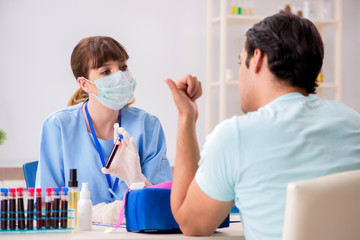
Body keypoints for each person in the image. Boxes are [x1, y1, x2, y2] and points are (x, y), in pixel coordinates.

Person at [165, 13, 360, 239]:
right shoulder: (353, 122)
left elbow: (191, 224)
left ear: (256, 59)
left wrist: (185, 117)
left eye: (240, 62)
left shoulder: (236, 136)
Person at [35, 36, 172, 213]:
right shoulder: (58, 126)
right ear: (84, 84)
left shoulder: (148, 126)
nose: (120, 76)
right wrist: (98, 215)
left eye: (123, 67)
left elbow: (162, 202)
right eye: (105, 71)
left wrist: (137, 179)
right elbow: (47, 204)